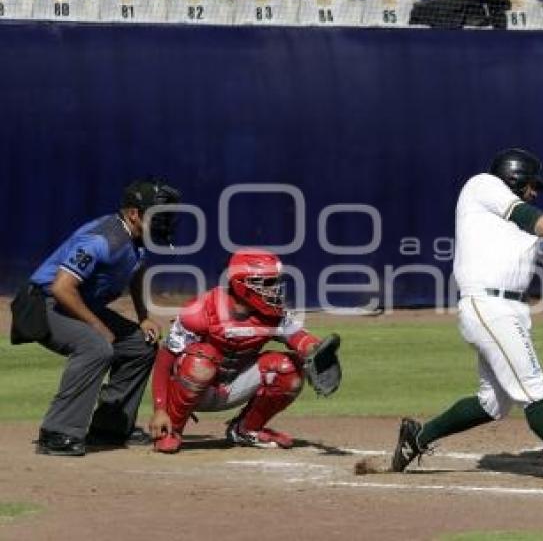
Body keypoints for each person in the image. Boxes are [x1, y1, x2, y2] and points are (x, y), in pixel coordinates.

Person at [391, 148, 543, 483]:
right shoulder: (482, 187)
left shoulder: (521, 232)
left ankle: (416, 438)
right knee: (533, 388)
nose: (534, 192)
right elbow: (529, 216)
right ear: (514, 177)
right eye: (532, 185)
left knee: (493, 403)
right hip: (488, 305)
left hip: (511, 310)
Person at [16, 180, 181, 456]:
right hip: (42, 304)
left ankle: (110, 428)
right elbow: (61, 287)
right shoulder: (102, 240)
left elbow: (137, 271)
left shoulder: (138, 237)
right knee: (96, 346)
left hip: (73, 303)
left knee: (141, 345)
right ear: (133, 213)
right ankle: (57, 433)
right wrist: (97, 326)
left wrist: (144, 317)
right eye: (158, 214)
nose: (164, 221)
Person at [148, 248, 339, 453]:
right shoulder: (201, 309)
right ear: (243, 285)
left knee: (288, 368)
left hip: (233, 386)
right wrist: (159, 409)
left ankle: (247, 429)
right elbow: (165, 359)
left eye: (275, 282)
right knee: (201, 360)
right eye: (267, 283)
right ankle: (171, 429)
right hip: (194, 387)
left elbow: (299, 338)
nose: (274, 289)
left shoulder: (274, 314)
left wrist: (317, 351)